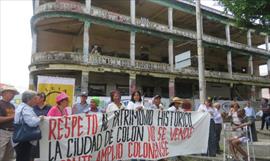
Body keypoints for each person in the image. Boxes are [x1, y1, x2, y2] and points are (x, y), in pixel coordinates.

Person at [14, 90, 44, 161]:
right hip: (24, 138)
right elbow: (32, 122)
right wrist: (39, 118)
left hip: (23, 137)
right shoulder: (25, 109)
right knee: (24, 157)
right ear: (28, 99)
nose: (36, 100)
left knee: (22, 157)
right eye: (34, 98)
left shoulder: (22, 107)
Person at [0, 85, 19, 161]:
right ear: (4, 93)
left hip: (11, 131)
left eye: (13, 93)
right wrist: (13, 117)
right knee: (1, 154)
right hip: (2, 132)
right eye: (11, 93)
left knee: (10, 156)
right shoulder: (0, 104)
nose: (13, 95)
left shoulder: (12, 105)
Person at [32, 92, 51, 160]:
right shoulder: (32, 107)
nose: (35, 99)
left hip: (46, 132)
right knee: (35, 149)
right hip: (35, 132)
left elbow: (53, 117)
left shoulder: (49, 107)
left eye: (37, 98)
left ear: (42, 98)